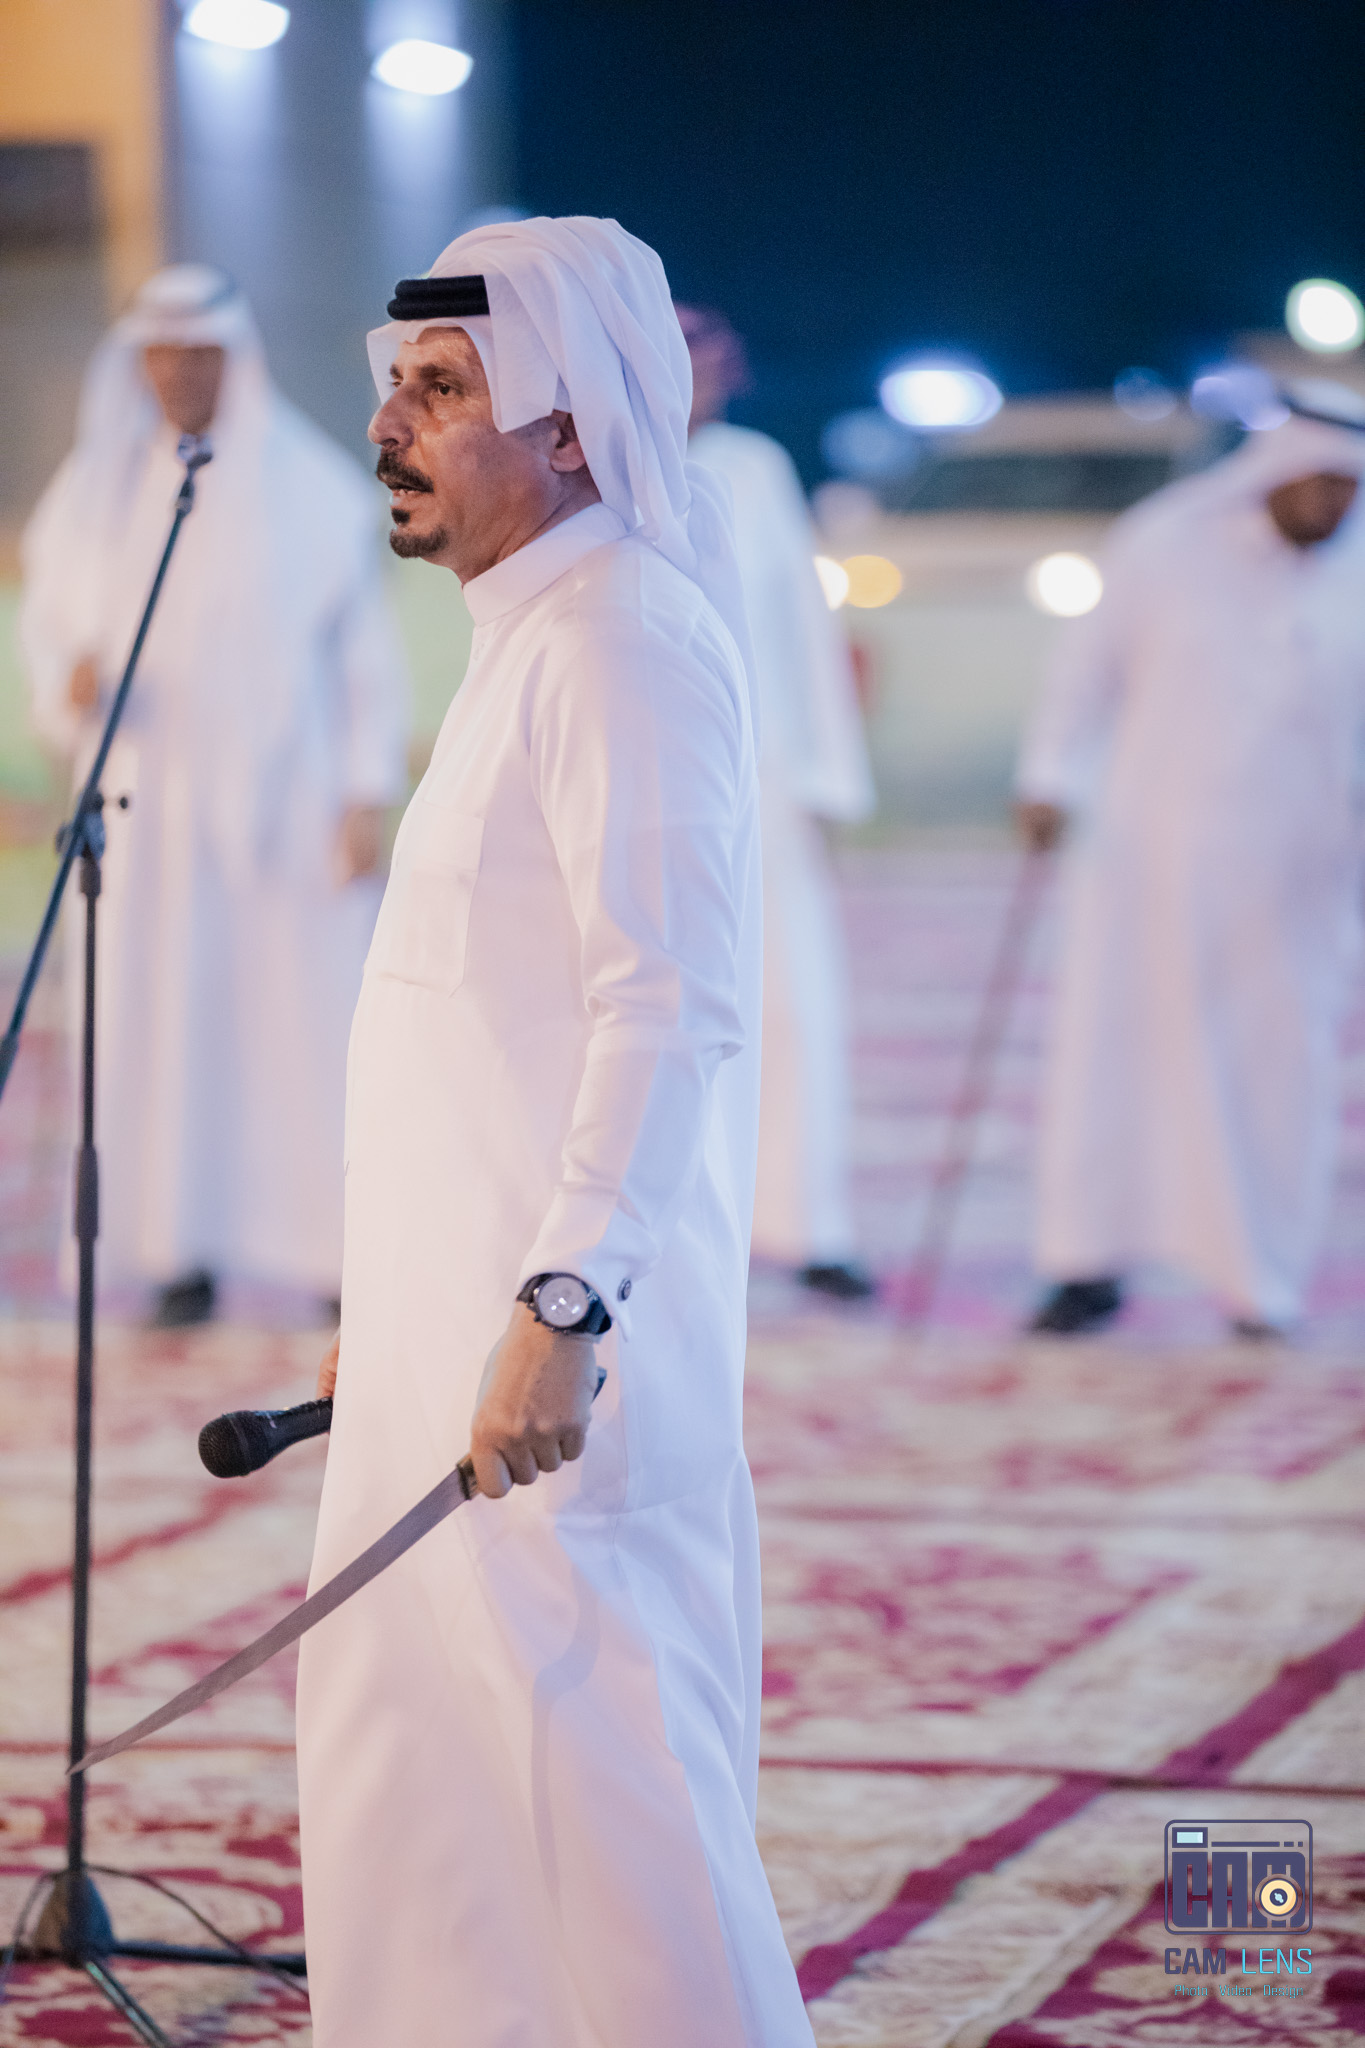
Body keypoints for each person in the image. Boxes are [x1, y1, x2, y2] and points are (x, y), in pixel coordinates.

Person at [296, 219, 816, 2047]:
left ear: (573, 429)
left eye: (443, 392)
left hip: (557, 1359)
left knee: (611, 1797)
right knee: (431, 1770)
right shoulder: (527, 637)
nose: (391, 428)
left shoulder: (620, 642)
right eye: (395, 388)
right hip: (466, 1334)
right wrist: (396, 1304)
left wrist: (564, 1303)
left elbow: (669, 1005)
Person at [19, 264, 409, 1326]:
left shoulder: (312, 488)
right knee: (155, 1025)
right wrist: (66, 685)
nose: (179, 375)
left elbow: (362, 658)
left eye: (200, 356)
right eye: (161, 355)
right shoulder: (95, 493)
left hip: (290, 809)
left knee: (303, 1026)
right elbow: (50, 634)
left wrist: (363, 794)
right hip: (144, 814)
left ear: (236, 362)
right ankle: (173, 1251)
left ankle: (330, 1256)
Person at [1016, 406, 1365, 1338]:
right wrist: (1049, 778)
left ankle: (1260, 1282)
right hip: (1149, 860)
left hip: (1301, 877)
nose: (1336, 506)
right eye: (1323, 485)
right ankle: (1085, 1265)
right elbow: (1084, 672)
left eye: (1351, 489)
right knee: (1113, 1056)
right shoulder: (1164, 544)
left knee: (1279, 1069)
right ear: (1274, 476)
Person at [679, 303, 876, 1299]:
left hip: (762, 782)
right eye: (685, 353)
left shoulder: (756, 469)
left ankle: (807, 1226)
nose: (706, 372)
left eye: (716, 354)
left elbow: (802, 625)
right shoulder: (586, 460)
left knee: (789, 1004)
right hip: (648, 781)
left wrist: (828, 780)